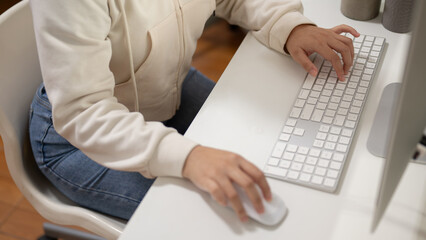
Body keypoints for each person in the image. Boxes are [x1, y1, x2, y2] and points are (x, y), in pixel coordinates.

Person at [28, 0, 359, 222]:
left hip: (169, 89)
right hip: (77, 139)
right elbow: (82, 112)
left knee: (272, 157)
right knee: (213, 220)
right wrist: (188, 157)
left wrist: (289, 26)